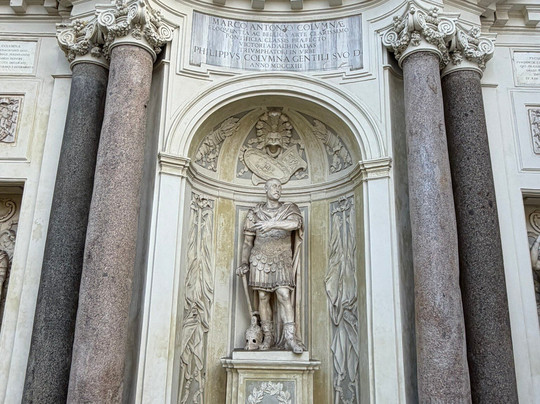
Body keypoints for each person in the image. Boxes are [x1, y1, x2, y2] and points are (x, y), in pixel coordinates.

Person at [237, 178, 303, 353]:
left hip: (281, 257)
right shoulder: (254, 213)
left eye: (279, 186)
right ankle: (268, 336)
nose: (277, 189)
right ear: (265, 189)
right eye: (273, 186)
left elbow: (295, 224)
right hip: (260, 258)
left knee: (283, 294)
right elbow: (248, 242)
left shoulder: (289, 209)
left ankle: (290, 338)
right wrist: (244, 262)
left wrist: (272, 224)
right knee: (263, 297)